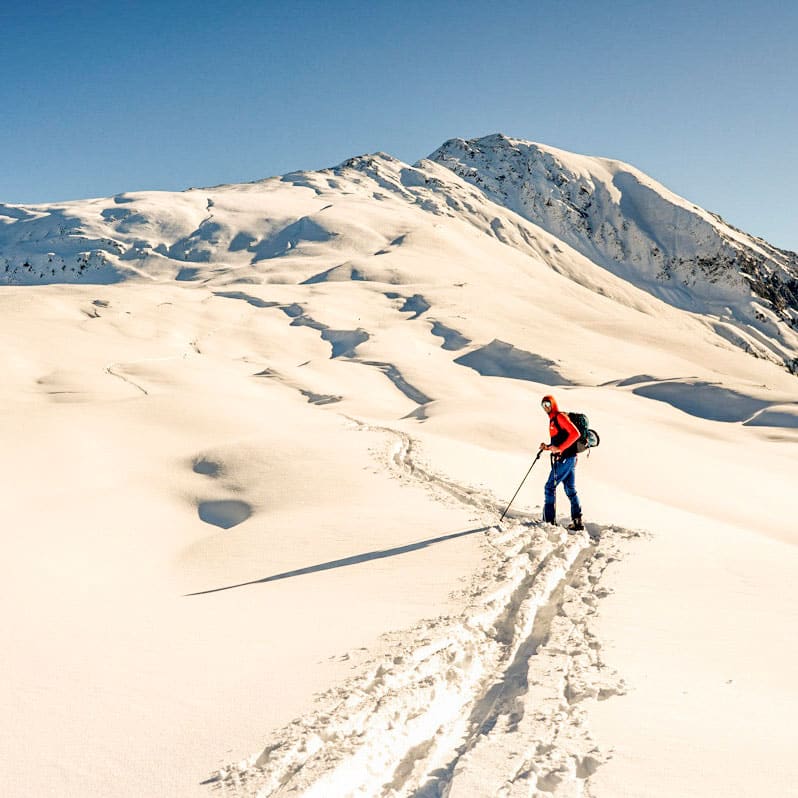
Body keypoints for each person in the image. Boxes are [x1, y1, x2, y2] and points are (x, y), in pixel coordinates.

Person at [539, 394, 584, 530]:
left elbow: (575, 434)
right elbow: (560, 440)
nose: (546, 408)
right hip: (569, 458)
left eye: (548, 404)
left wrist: (560, 448)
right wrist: (548, 447)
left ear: (553, 404)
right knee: (570, 489)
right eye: (543, 405)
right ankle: (577, 522)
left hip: (566, 459)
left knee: (549, 487)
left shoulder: (560, 417)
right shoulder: (553, 420)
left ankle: (549, 522)